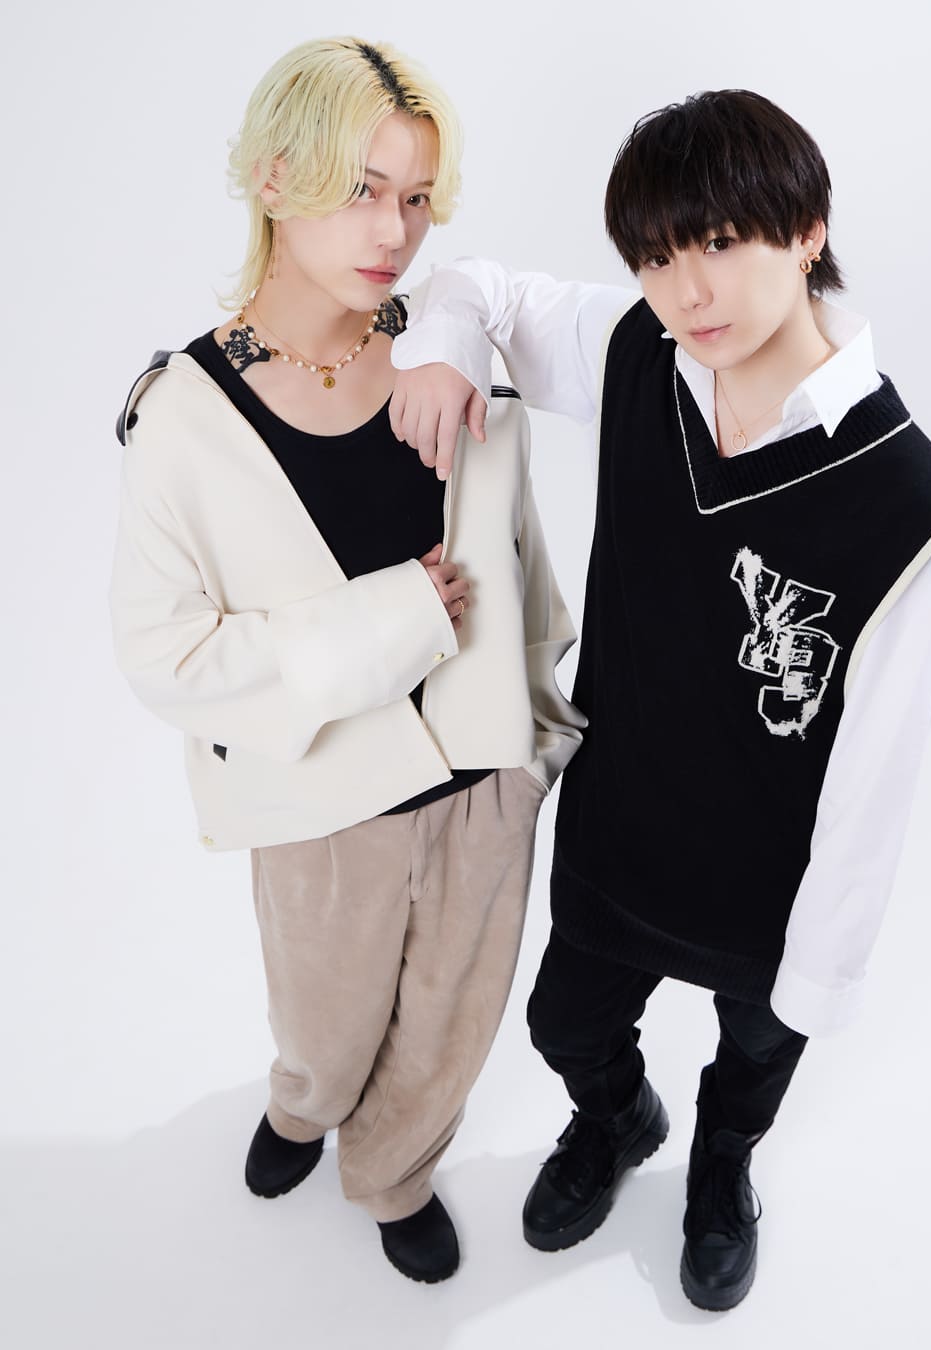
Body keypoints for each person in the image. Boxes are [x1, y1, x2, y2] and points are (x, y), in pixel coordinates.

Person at [387, 89, 931, 1310]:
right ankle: (618, 1120)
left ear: (806, 231)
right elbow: (485, 290)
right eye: (655, 258)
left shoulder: (913, 501)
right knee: (564, 1026)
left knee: (754, 1063)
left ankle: (721, 1166)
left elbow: (882, 770)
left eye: (718, 242)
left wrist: (821, 965)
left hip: (773, 872)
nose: (687, 291)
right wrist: (439, 346)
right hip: (623, 820)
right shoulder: (641, 355)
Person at [109, 36, 583, 1286]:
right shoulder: (184, 414)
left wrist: (537, 745)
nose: (394, 231)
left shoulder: (445, 346)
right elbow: (163, 654)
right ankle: (304, 1106)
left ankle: (392, 1174)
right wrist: (396, 619)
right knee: (326, 1023)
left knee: (450, 1028)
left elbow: (522, 556)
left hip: (485, 782)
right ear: (275, 178)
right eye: (362, 188)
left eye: (415, 197)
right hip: (322, 801)